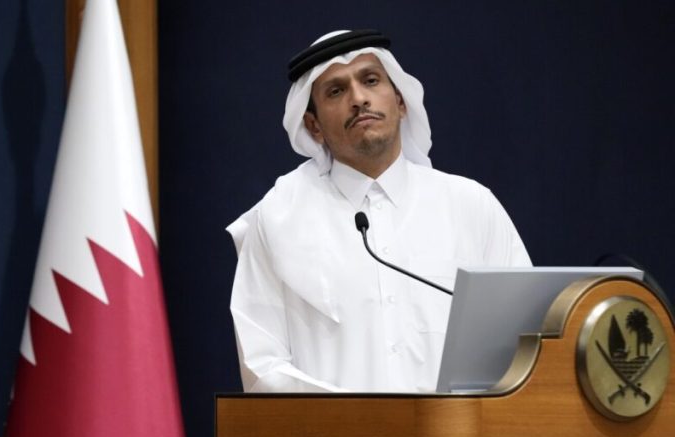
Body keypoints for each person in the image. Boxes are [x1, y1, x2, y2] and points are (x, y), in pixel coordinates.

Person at [227, 30, 531, 393]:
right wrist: (358, 419)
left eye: (370, 80)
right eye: (336, 91)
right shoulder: (277, 218)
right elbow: (262, 365)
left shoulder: (470, 206)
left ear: (401, 102)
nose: (358, 98)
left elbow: (523, 341)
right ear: (313, 126)